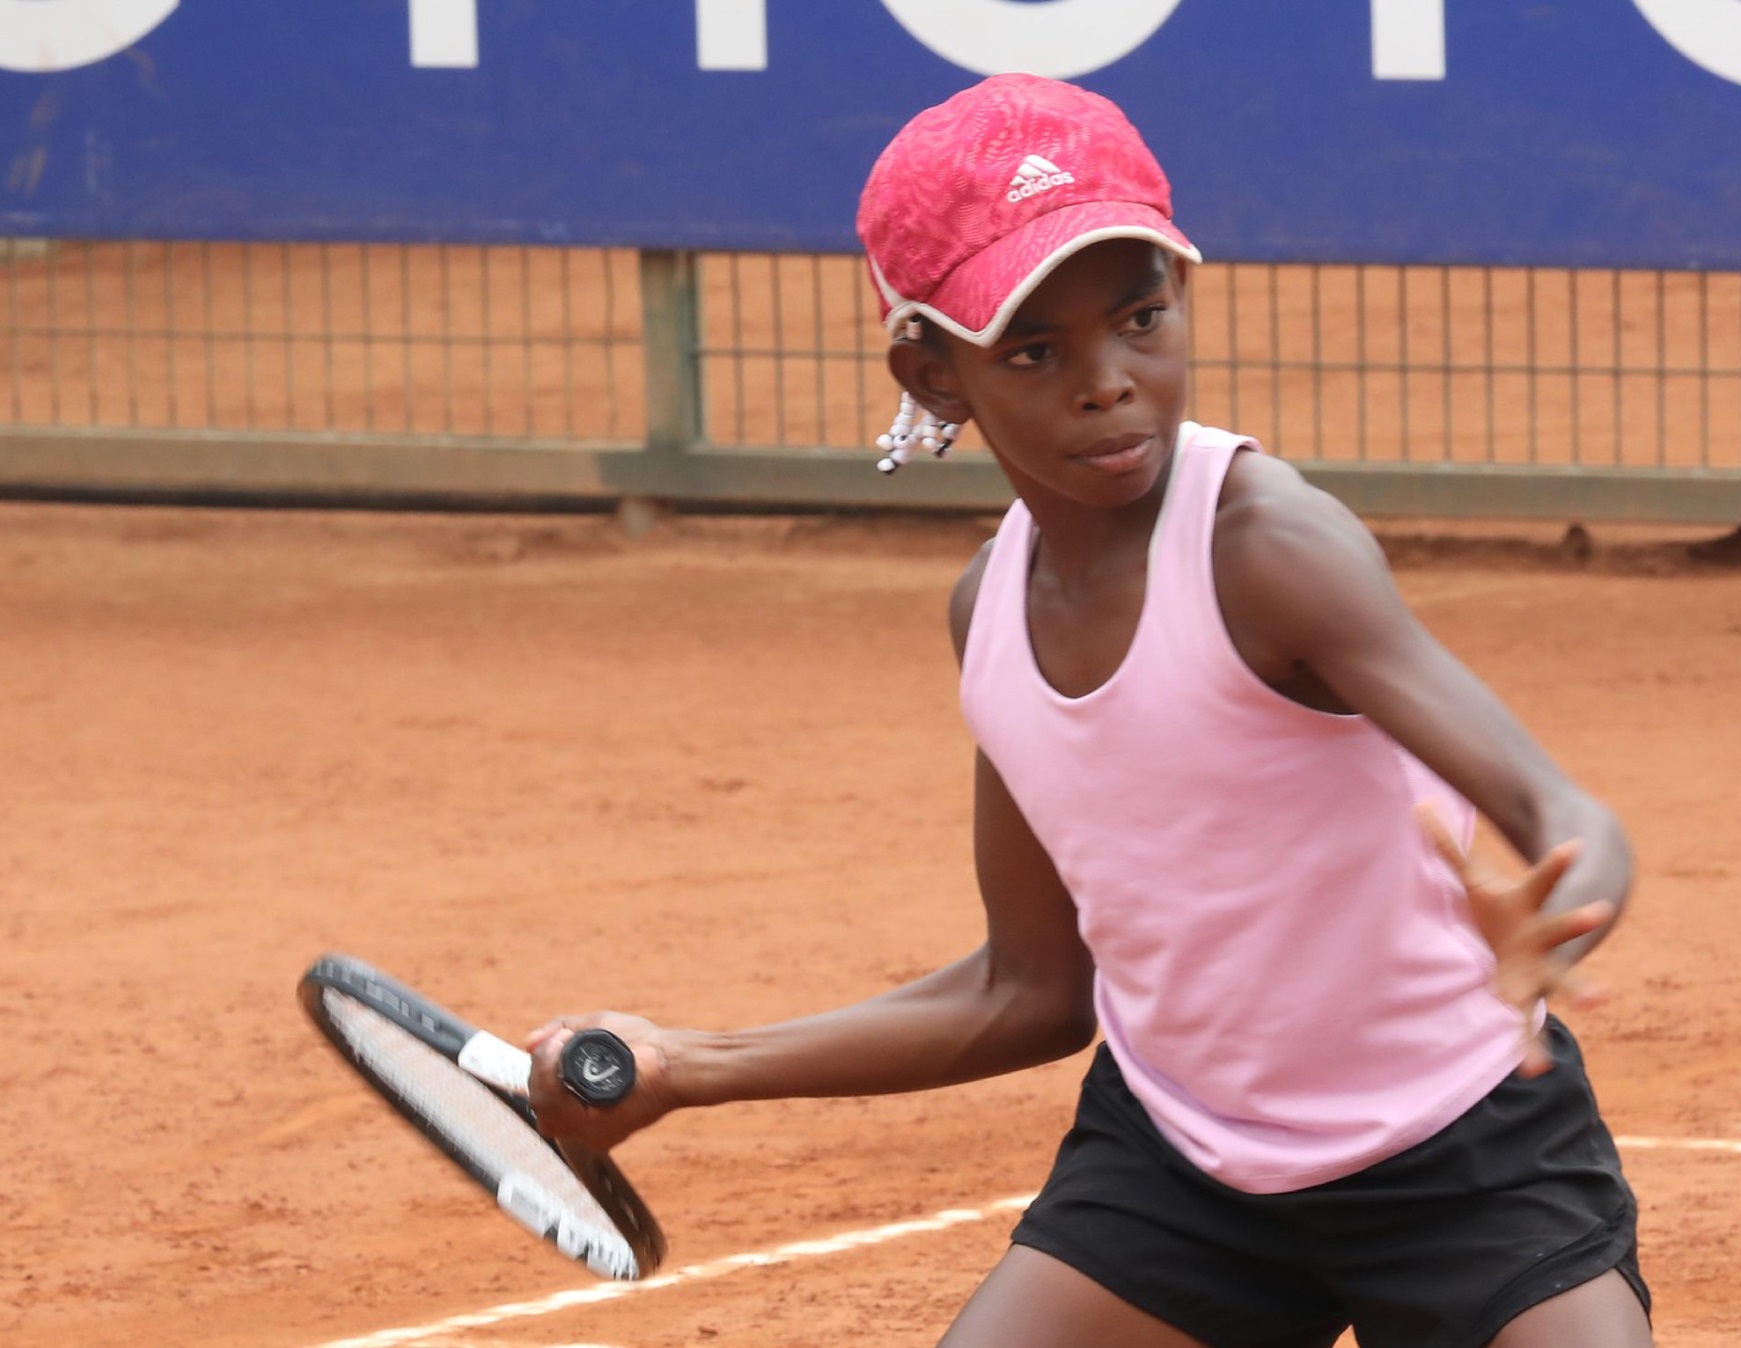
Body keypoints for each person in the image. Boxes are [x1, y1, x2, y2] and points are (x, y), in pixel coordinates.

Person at [526, 73, 1650, 1348]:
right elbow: (1030, 987)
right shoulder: (989, 615)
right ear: (932, 373)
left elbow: (1563, 812)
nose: (1109, 382)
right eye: (1033, 350)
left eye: (1139, 317)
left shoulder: (1269, 546)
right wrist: (685, 1065)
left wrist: (1555, 916)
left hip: (1468, 1157)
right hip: (1181, 1168)